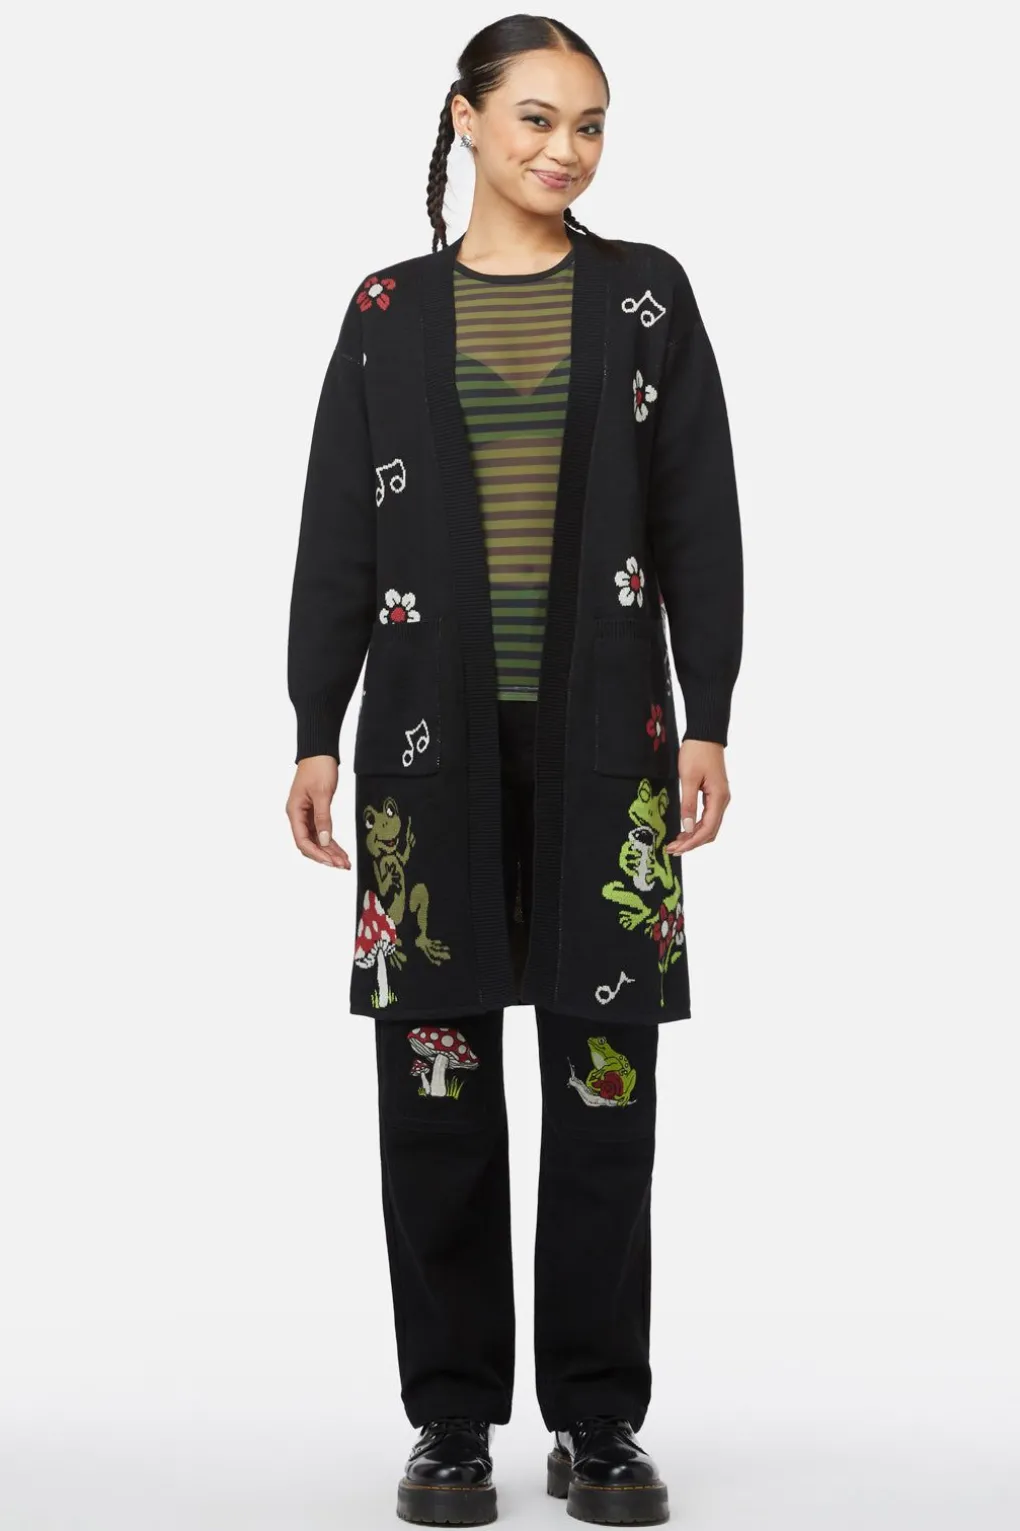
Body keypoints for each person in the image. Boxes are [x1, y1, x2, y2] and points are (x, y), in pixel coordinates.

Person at [285, 15, 743, 1526]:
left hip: (609, 745)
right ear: (465, 119)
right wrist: (313, 723)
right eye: (537, 117)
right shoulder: (386, 310)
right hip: (428, 752)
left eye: (591, 124)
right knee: (437, 1088)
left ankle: (598, 1420)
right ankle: (452, 1418)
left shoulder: (645, 299)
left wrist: (708, 713)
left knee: (608, 1084)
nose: (566, 149)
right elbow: (339, 528)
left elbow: (698, 512)